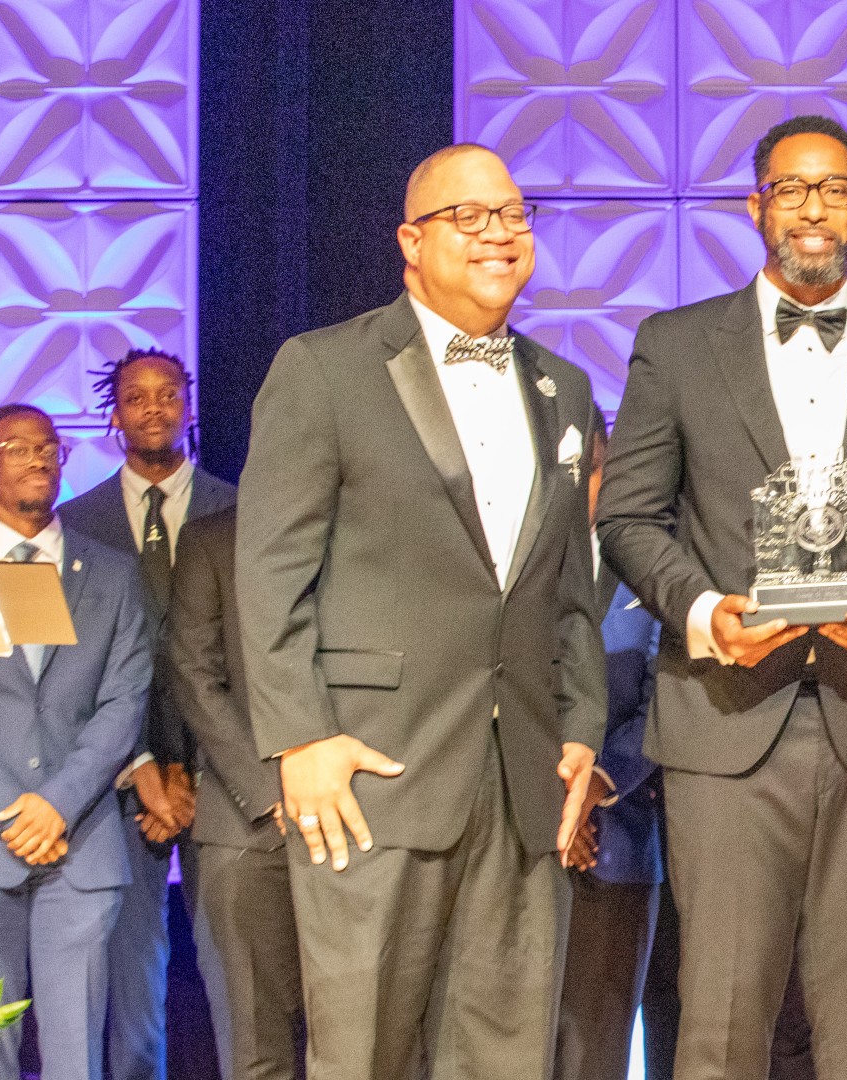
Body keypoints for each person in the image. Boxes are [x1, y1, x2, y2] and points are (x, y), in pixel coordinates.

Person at [596, 114, 847, 1080]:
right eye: (793, 189)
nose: (814, 209)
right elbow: (628, 517)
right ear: (756, 205)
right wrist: (703, 612)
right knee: (720, 1024)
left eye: (834, 189)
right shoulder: (676, 345)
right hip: (723, 715)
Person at [237, 143, 606, 1080]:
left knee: (507, 1055)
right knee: (363, 1053)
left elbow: (569, 590)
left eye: (513, 215)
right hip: (372, 774)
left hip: (523, 779)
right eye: (468, 216)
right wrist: (298, 738)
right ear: (411, 241)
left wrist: (581, 730)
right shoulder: (324, 368)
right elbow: (270, 571)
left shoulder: (564, 387)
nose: (498, 234)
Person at [0, 403, 150, 1080]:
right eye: (18, 448)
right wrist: (14, 814)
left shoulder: (110, 572)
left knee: (76, 1051)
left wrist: (56, 805)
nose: (39, 458)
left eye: (49, 447)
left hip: (82, 840)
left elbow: (123, 703)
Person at [59, 347, 237, 1080]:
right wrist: (141, 765)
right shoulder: (75, 522)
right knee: (131, 975)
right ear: (115, 415)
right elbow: (74, 668)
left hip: (224, 772)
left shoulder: (241, 509)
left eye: (168, 394)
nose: (154, 408)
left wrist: (193, 768)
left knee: (235, 969)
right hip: (117, 777)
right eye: (136, 397)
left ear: (189, 404)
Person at [166, 505, 304, 1080]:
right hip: (248, 825)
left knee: (362, 1043)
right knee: (255, 1046)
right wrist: (271, 792)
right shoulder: (211, 538)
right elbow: (193, 672)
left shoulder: (370, 525)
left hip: (361, 820)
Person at [555, 423, 663, 1080]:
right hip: (520, 846)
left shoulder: (650, 568)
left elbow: (664, 703)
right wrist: (550, 800)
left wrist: (595, 783)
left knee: (595, 1055)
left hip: (615, 847)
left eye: (585, 472)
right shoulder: (513, 565)